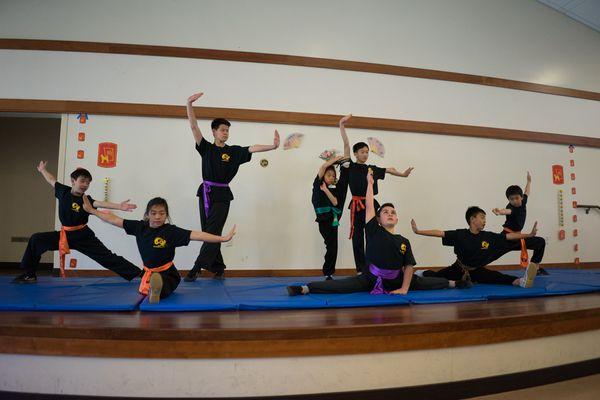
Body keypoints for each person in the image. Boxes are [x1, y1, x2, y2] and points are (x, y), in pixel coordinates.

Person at [184, 91, 279, 281]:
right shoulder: (206, 148)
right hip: (205, 193)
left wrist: (272, 146)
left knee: (211, 231)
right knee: (209, 232)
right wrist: (189, 104)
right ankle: (218, 268)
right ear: (213, 131)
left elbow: (252, 148)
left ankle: (196, 269)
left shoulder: (233, 152)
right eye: (222, 130)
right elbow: (194, 127)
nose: (225, 133)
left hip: (222, 195)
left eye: (227, 130)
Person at [82, 195, 235, 303]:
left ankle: (157, 290)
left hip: (168, 273)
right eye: (154, 213)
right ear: (147, 215)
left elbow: (197, 235)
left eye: (162, 213)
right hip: (149, 272)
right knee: (152, 279)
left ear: (166, 215)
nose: (157, 217)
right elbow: (114, 219)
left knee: (166, 284)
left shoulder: (171, 231)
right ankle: (154, 286)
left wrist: (221, 239)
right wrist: (93, 211)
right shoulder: (139, 227)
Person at [12, 161, 142, 284]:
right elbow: (51, 180)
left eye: (88, 182)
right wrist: (42, 170)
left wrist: (119, 206)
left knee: (107, 257)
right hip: (65, 235)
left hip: (83, 236)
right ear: (73, 181)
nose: (85, 185)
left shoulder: (86, 200)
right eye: (83, 181)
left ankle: (141, 274)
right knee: (36, 239)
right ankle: (29, 275)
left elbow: (100, 203)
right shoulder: (62, 191)